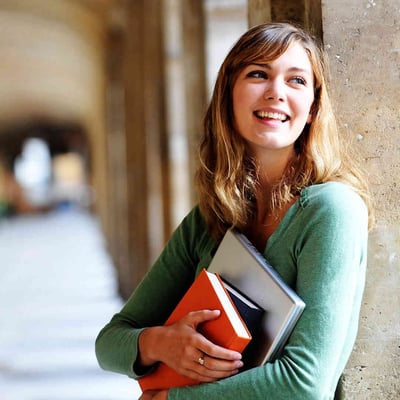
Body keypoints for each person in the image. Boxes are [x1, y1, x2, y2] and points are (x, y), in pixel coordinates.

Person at [95, 22, 373, 400]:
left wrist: (169, 399)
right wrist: (160, 343)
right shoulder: (210, 218)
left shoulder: (330, 211)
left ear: (312, 109)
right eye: (258, 74)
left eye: (296, 81)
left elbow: (304, 384)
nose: (276, 92)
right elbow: (110, 342)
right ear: (228, 94)